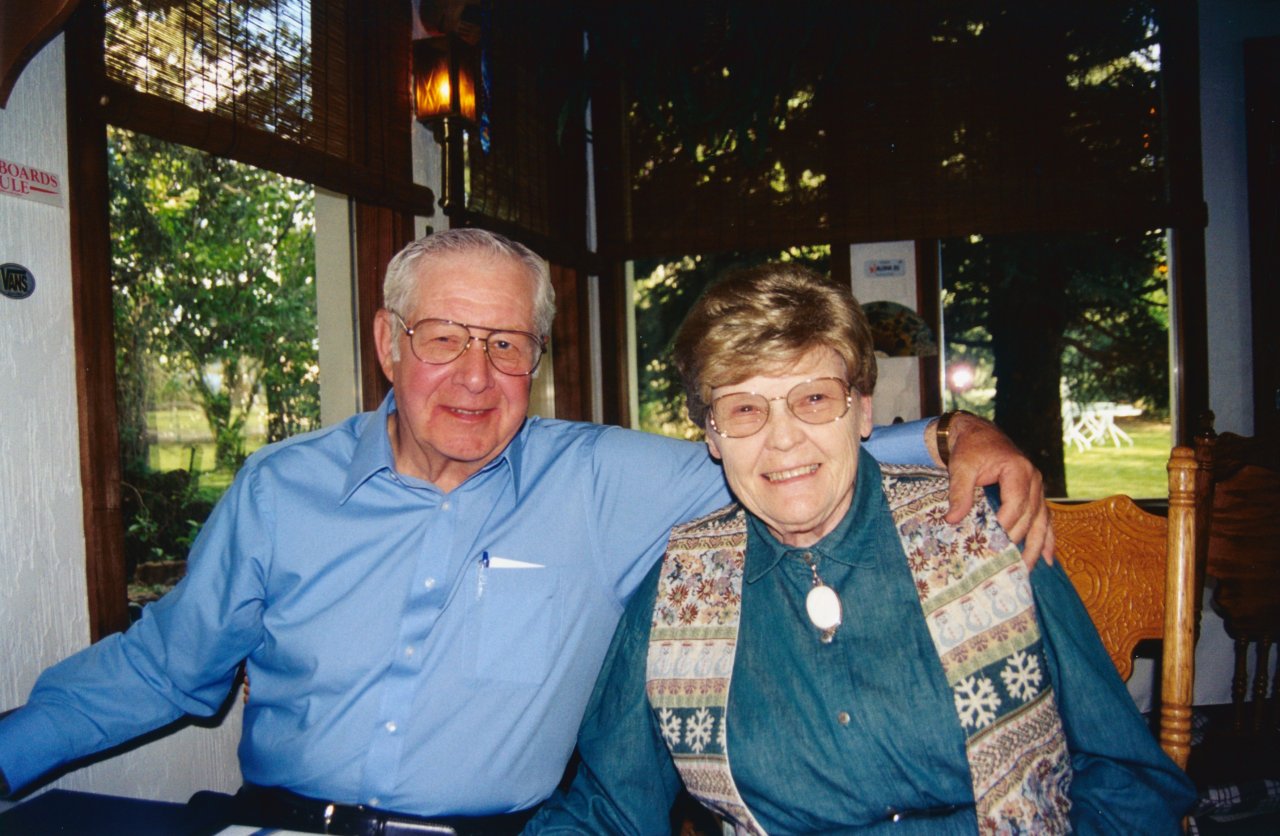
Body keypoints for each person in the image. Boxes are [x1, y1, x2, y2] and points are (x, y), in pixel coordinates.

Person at [0, 230, 1049, 833]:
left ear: (536, 359)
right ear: (387, 343)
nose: (472, 375)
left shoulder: (605, 481)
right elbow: (159, 670)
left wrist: (958, 431)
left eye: (505, 344)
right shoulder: (280, 488)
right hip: (276, 822)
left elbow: (782, 440)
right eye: (442, 338)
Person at [526, 263, 1195, 834]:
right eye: (745, 409)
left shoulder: (983, 535)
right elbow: (610, 809)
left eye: (813, 398)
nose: (783, 440)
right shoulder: (679, 589)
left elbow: (1128, 778)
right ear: (711, 434)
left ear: (863, 411)